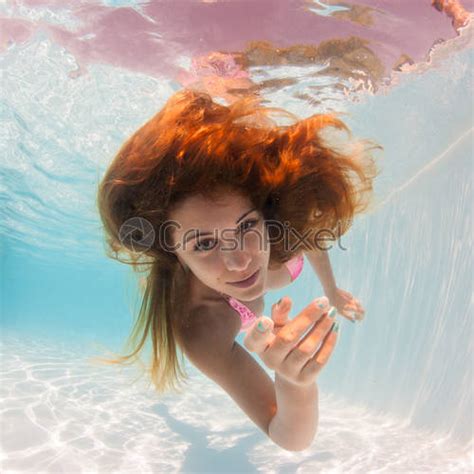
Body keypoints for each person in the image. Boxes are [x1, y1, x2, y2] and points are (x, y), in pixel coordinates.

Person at [96, 89, 381, 451]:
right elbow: (289, 436)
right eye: (203, 244)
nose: (239, 260)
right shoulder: (201, 326)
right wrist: (295, 386)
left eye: (246, 226)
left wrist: (333, 292)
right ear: (174, 253)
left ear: (266, 216)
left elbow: (311, 239)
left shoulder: (279, 234)